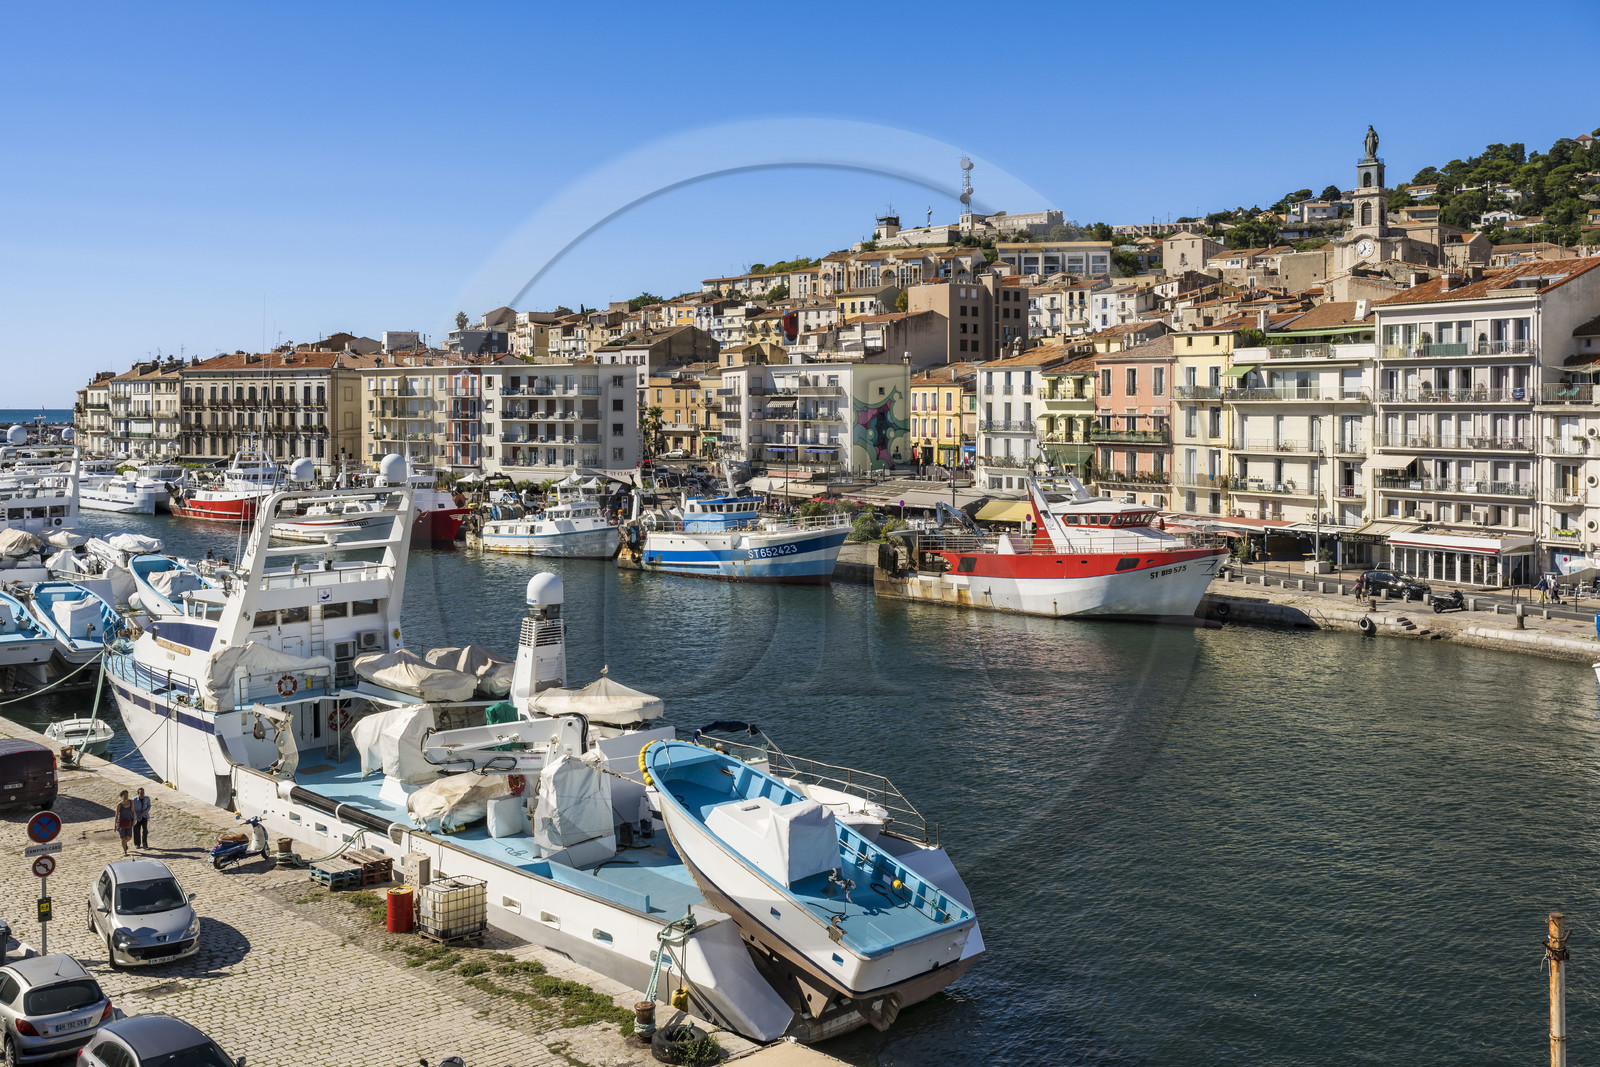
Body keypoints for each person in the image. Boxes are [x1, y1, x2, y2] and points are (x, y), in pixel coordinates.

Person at [113, 790, 134, 856]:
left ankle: (125, 843)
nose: (126, 797)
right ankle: (125, 851)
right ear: (121, 796)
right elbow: (116, 815)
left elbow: (133, 812)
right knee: (122, 837)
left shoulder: (131, 802)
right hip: (121, 823)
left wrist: (134, 820)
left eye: (127, 795)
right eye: (124, 795)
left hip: (129, 821)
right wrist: (115, 825)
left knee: (129, 837)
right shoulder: (119, 805)